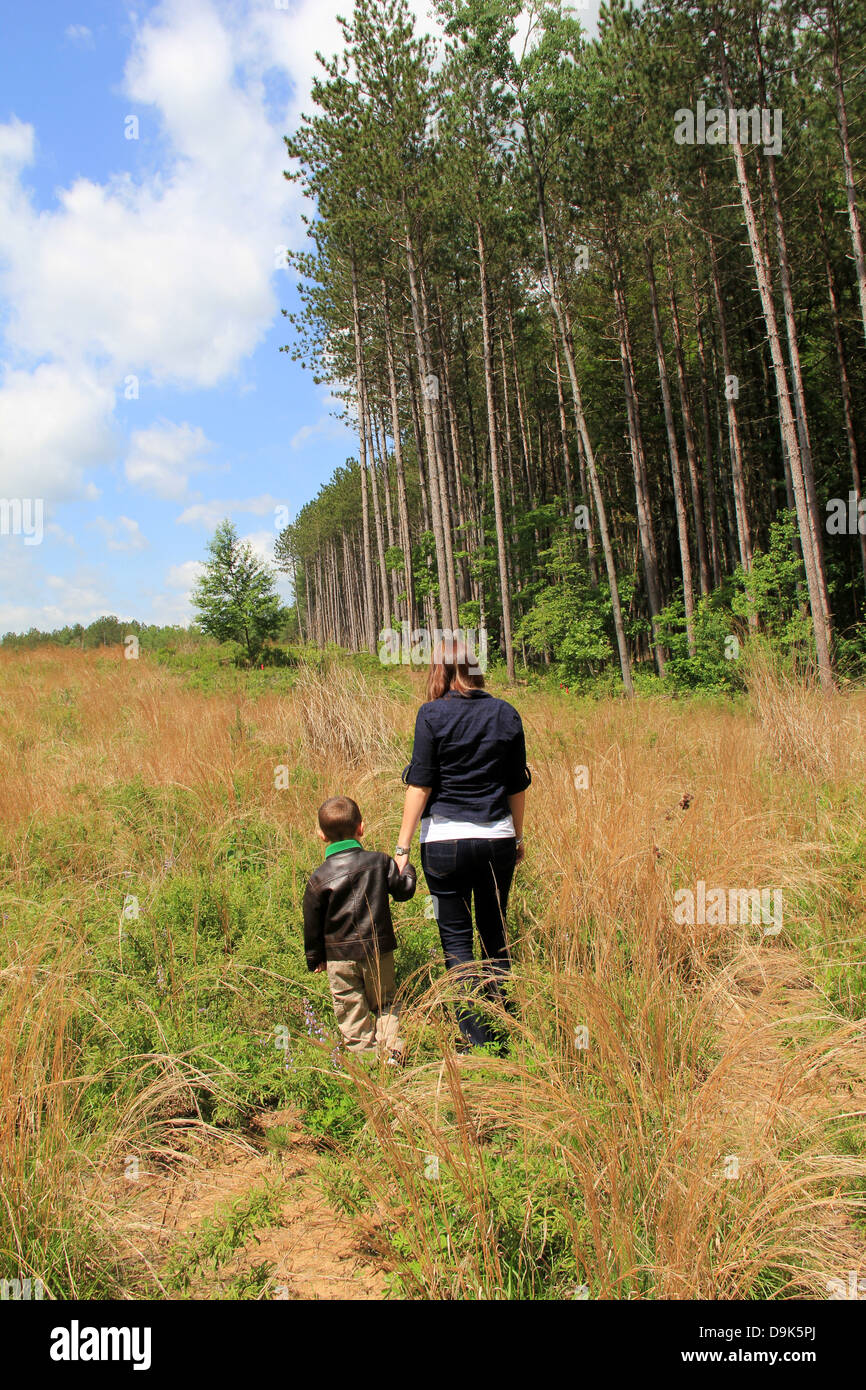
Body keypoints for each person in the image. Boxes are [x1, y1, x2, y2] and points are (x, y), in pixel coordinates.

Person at [394, 637, 530, 1051]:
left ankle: (474, 1040)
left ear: (439, 671)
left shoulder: (431, 715)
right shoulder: (505, 713)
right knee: (494, 935)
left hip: (445, 845)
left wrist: (401, 850)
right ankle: (505, 1033)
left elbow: (421, 783)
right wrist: (517, 836)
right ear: (475, 669)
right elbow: (517, 784)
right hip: (496, 840)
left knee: (457, 943)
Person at [303, 795, 416, 1060]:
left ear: (321, 836)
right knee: (386, 1001)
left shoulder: (319, 878)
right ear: (361, 828)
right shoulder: (379, 862)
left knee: (351, 1009)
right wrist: (406, 869)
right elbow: (403, 891)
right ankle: (392, 1052)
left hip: (339, 958)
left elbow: (312, 922)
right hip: (378, 951)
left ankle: (367, 1062)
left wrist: (315, 957)